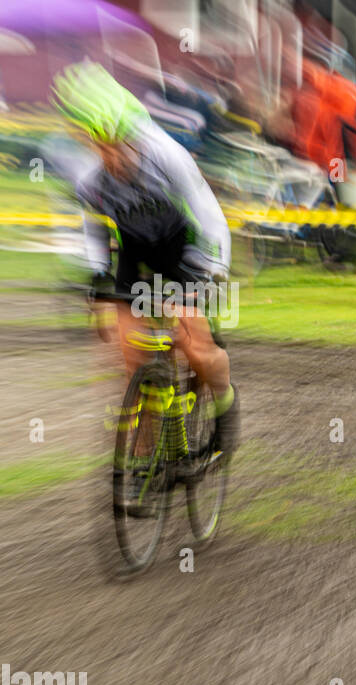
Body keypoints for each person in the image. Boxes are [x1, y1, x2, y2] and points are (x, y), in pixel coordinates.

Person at [51, 61, 239, 455]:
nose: (111, 157)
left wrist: (212, 271)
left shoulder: (167, 155)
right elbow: (93, 227)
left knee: (194, 345)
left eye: (117, 145)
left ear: (133, 137)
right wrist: (98, 274)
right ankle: (142, 460)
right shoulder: (89, 176)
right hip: (135, 251)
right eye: (100, 146)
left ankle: (225, 404)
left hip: (184, 246)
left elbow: (206, 213)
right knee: (131, 360)